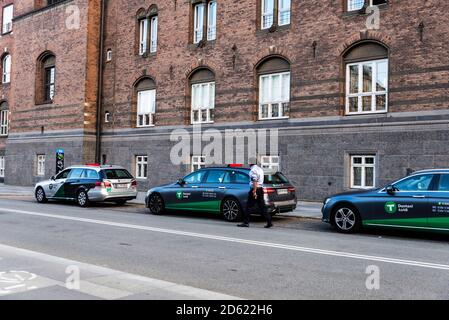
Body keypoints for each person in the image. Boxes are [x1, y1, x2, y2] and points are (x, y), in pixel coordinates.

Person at [238, 157, 273, 229]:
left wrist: (254, 191)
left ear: (250, 163)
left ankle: (246, 222)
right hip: (260, 189)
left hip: (255, 189)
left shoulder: (252, 170)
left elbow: (254, 181)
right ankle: (269, 222)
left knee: (248, 206)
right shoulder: (260, 169)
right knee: (262, 207)